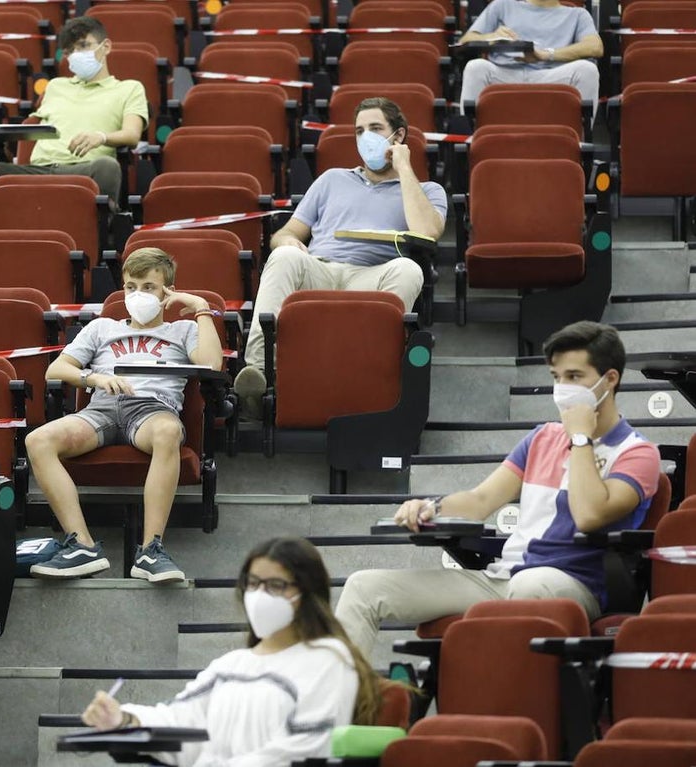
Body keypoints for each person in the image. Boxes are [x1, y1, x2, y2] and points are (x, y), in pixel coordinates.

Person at [335, 321, 661, 659]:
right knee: (364, 587)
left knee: (529, 585)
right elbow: (480, 500)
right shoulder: (541, 438)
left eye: (575, 377)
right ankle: (341, 706)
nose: (563, 388)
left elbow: (590, 515)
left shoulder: (637, 454)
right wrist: (431, 506)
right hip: (503, 579)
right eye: (556, 377)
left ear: (610, 379)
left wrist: (580, 439)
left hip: (572, 585)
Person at [81, 537, 383, 766]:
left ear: (306, 593)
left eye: (276, 585)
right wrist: (123, 720)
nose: (260, 594)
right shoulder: (233, 664)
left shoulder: (329, 660)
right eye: (253, 583)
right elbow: (181, 718)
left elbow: (307, 747)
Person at [233, 97, 447, 418]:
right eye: (360, 131)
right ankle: (260, 372)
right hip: (321, 269)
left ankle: (371, 369)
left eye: (376, 129)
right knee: (283, 258)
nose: (366, 138)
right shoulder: (332, 179)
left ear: (399, 136)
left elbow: (427, 232)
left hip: (374, 274)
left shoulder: (427, 190)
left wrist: (403, 169)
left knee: (409, 269)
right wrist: (290, 241)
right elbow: (284, 234)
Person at [25, 247, 223, 582]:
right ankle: (81, 545)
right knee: (38, 440)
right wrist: (95, 377)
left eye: (148, 287)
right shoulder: (102, 327)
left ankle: (150, 551)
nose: (137, 294)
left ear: (167, 292)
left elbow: (211, 365)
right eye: (131, 286)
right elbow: (55, 370)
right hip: (101, 407)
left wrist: (201, 310)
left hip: (151, 410)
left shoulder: (183, 331)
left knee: (168, 433)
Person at [0, 16, 147, 206]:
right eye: (70, 51)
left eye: (83, 45)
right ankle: (0, 224)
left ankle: (98, 228)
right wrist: (5, 136)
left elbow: (131, 135)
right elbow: (32, 127)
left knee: (107, 167)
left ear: (106, 47)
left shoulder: (129, 88)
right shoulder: (56, 86)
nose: (77, 54)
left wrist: (101, 137)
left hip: (82, 169)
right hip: (37, 170)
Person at [456, 0, 602, 113]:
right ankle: (472, 142)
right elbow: (464, 41)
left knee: (588, 70)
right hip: (505, 73)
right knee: (475, 67)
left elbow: (595, 47)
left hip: (552, 76)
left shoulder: (577, 14)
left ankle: (580, 141)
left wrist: (546, 55)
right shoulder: (502, 5)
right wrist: (491, 37)